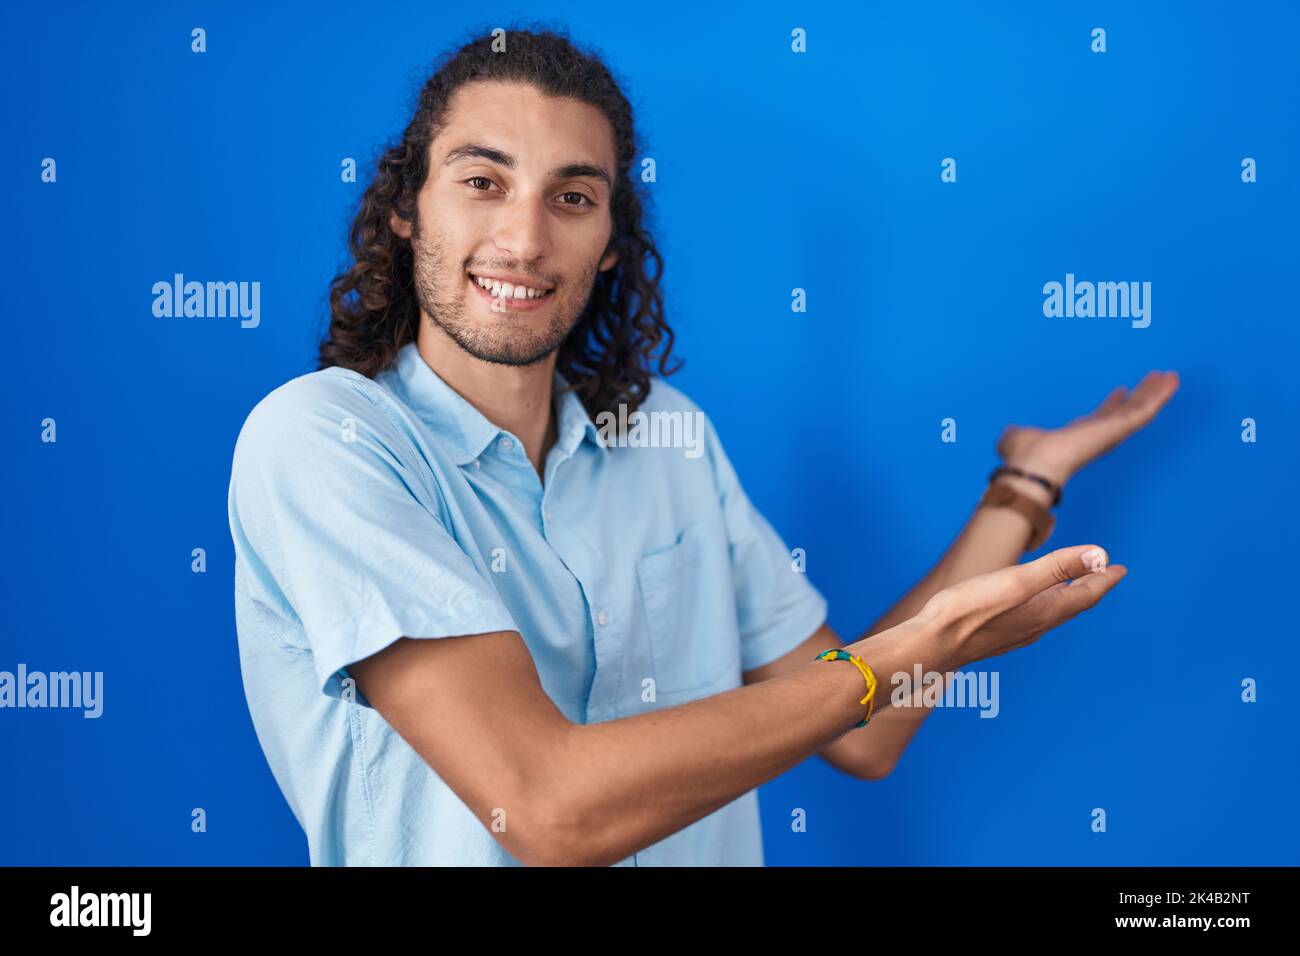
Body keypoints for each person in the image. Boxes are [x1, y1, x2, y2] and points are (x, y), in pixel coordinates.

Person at [226, 27, 1179, 866]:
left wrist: (1025, 482)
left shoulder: (669, 439)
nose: (523, 238)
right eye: (482, 181)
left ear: (609, 239)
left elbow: (864, 731)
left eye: (572, 196)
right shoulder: (322, 442)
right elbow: (547, 810)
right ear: (407, 208)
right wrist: (916, 650)